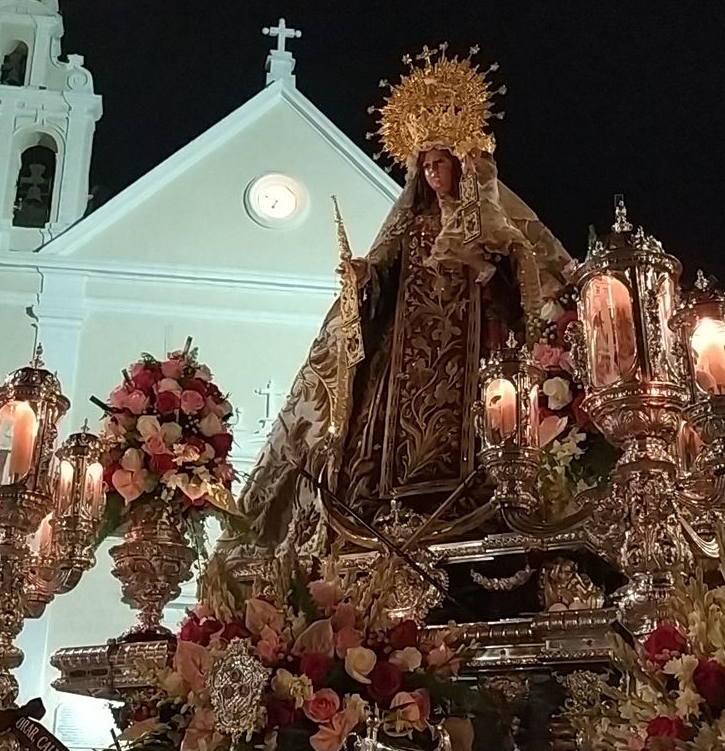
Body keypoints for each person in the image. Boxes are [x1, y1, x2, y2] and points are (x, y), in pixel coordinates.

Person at [239, 48, 571, 552]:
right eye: (427, 165)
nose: (434, 173)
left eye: (442, 163)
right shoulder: (411, 223)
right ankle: (384, 511)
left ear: (459, 165)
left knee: (484, 428)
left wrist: (479, 265)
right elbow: (385, 271)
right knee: (380, 438)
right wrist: (362, 272)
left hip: (473, 352)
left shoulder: (485, 219)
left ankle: (480, 507)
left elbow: (516, 279)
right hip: (407, 363)